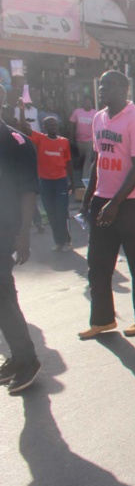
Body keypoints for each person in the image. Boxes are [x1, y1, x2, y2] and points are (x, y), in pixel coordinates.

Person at [78, 71, 135, 339]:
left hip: (134, 201)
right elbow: (99, 160)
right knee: (98, 263)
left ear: (125, 88)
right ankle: (102, 320)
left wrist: (115, 204)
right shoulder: (99, 117)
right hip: (104, 198)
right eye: (101, 84)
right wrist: (90, 196)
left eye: (110, 84)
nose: (103, 89)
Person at [0, 84, 42, 393]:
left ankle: (27, 360)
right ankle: (18, 356)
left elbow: (29, 192)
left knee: (2, 297)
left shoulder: (17, 142)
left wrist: (24, 234)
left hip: (6, 230)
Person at [24, 115, 75, 251]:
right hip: (46, 182)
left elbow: (68, 162)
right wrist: (22, 111)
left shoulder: (64, 141)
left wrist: (72, 181)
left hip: (60, 181)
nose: (53, 127)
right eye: (50, 125)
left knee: (62, 212)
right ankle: (59, 241)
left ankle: (67, 241)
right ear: (44, 127)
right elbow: (24, 128)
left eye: (55, 125)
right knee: (51, 212)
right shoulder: (40, 139)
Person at [69, 96, 97, 182]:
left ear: (92, 104)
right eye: (85, 102)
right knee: (81, 159)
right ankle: (81, 176)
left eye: (89, 102)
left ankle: (85, 180)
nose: (87, 104)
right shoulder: (77, 112)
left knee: (88, 160)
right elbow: (72, 125)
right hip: (79, 140)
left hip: (90, 140)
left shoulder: (95, 113)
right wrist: (71, 138)